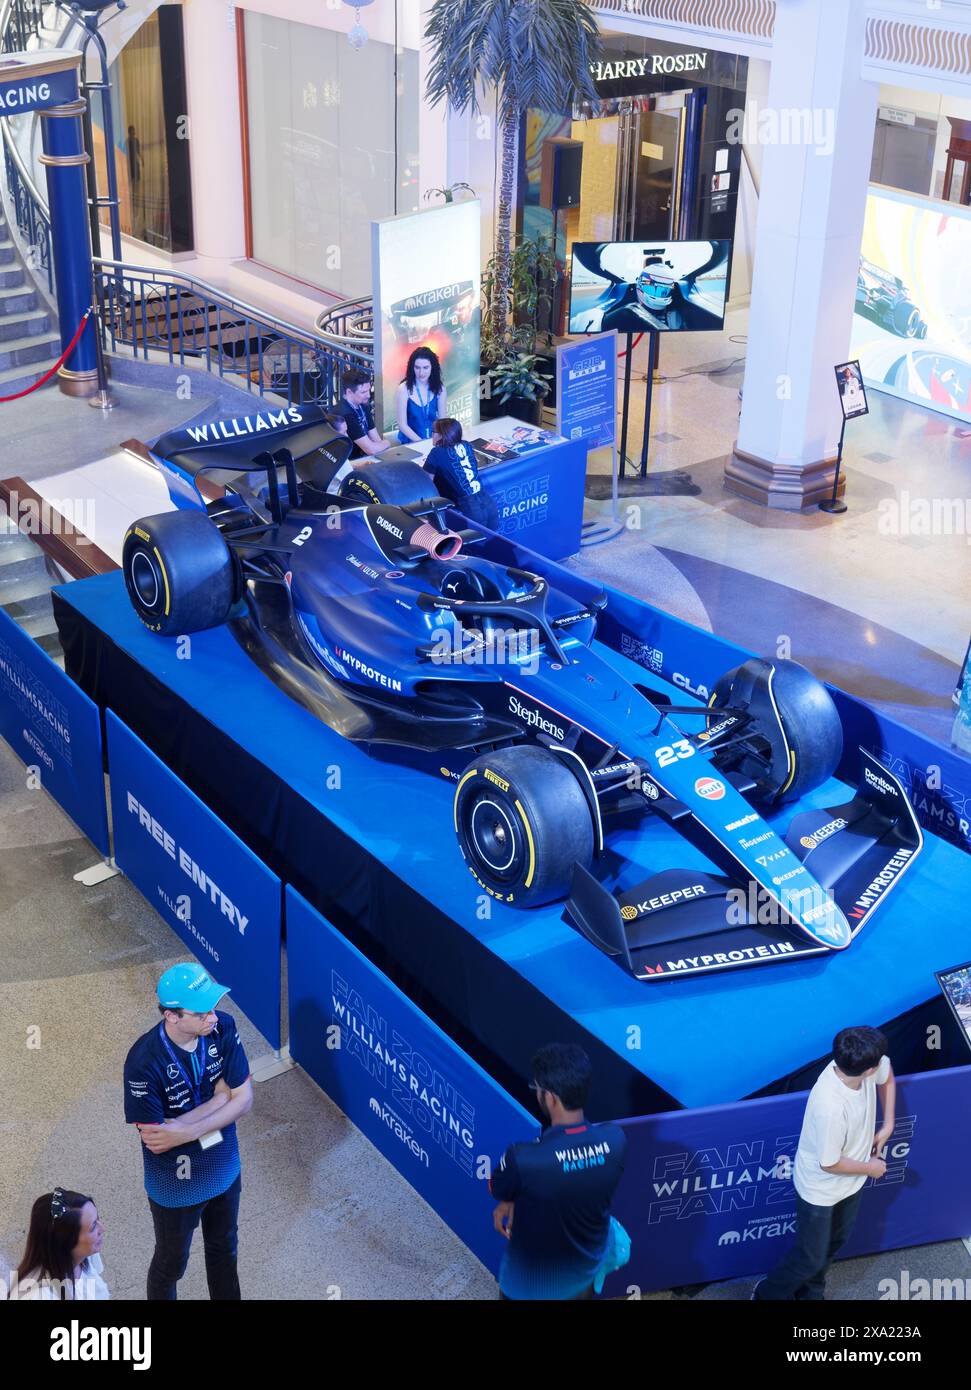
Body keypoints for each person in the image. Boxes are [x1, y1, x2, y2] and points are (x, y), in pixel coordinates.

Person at [123, 962, 253, 1301]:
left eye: (213, 1007)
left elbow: (244, 1099)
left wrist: (183, 1130)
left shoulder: (224, 1026)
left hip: (224, 1165)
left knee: (225, 1249)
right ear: (172, 1016)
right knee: (171, 1264)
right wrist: (219, 1100)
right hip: (174, 1186)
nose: (213, 1016)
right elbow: (156, 1139)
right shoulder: (142, 1062)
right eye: (201, 1013)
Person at [753, 1025, 895, 1301]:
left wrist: (888, 1123)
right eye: (877, 1063)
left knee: (834, 1243)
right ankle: (766, 1294)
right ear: (867, 1070)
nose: (881, 1065)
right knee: (809, 1257)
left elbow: (887, 1076)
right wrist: (872, 1167)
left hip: (850, 1182)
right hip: (821, 1190)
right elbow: (829, 1163)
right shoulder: (830, 1106)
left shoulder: (854, 1067)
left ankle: (811, 1294)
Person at [490, 1043, 627, 1300]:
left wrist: (509, 1198)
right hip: (583, 1281)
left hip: (525, 1289)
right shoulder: (616, 1140)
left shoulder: (524, 1159)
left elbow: (496, 1186)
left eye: (537, 1089)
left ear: (550, 1097)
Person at [5, 1189, 108, 1300]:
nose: (102, 1229)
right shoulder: (40, 1296)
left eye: (97, 1218)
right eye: (92, 1227)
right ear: (66, 1243)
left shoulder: (86, 1255)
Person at [424, 417, 499, 529]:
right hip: (489, 504)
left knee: (473, 546)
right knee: (494, 544)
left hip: (472, 511)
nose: (431, 435)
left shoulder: (436, 453)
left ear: (441, 435)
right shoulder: (467, 445)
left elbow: (426, 483)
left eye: (433, 432)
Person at [333, 367, 391, 458]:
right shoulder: (346, 414)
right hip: (351, 462)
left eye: (369, 390)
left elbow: (376, 439)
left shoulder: (362, 404)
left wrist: (381, 447)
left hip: (363, 457)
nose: (368, 395)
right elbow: (370, 449)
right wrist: (387, 442)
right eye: (363, 392)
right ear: (349, 392)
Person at [395, 346, 446, 443]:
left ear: (432, 367)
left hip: (433, 442)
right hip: (410, 443)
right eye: (417, 368)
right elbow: (402, 425)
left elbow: (443, 421)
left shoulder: (440, 388)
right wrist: (421, 443)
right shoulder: (403, 389)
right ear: (412, 367)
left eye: (425, 368)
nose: (421, 373)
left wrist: (437, 441)